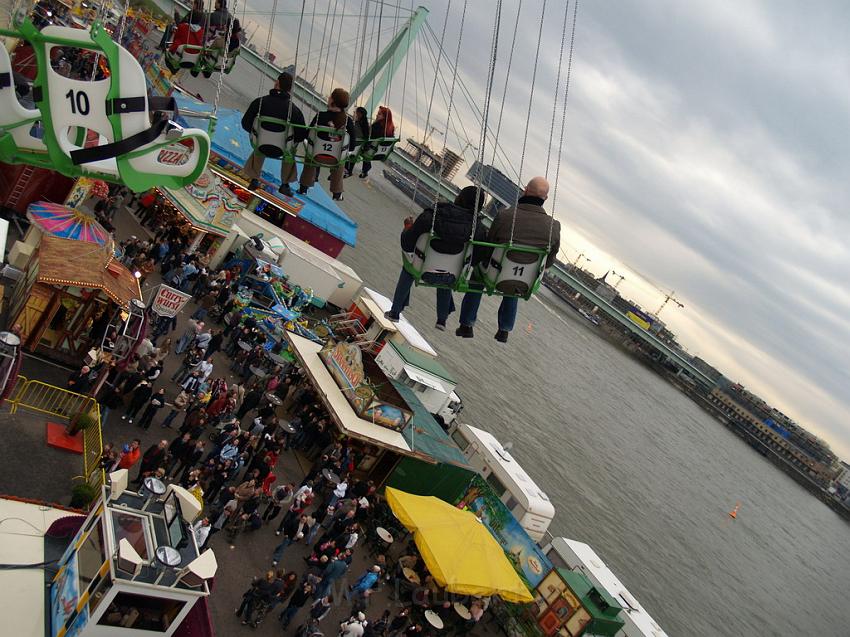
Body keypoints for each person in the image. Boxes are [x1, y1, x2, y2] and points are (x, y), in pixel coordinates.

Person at [456, 176, 560, 343]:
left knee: (478, 275)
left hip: (496, 274)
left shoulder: (504, 215)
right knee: (517, 280)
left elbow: (488, 248)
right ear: (545, 199)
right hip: (524, 281)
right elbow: (548, 261)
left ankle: (466, 325)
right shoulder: (554, 226)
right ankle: (504, 329)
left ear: (525, 190)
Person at [385, 185, 486, 329]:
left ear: (460, 197)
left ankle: (395, 312)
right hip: (451, 276)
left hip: (423, 270)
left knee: (409, 267)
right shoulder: (478, 230)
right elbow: (476, 259)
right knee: (448, 269)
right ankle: (442, 320)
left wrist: (407, 228)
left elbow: (407, 243)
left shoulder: (433, 214)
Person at [242, 72, 308, 193]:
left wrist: (255, 133)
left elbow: (245, 123)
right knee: (292, 147)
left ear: (276, 83)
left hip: (261, 147)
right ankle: (285, 184)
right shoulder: (294, 111)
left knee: (259, 138)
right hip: (282, 150)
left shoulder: (260, 102)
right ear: (289, 90)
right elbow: (301, 135)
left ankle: (254, 178)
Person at [293, 88, 357, 201]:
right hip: (335, 159)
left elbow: (308, 135)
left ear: (333, 101)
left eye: (330, 96)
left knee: (311, 152)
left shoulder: (320, 116)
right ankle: (337, 193)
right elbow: (352, 145)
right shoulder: (348, 122)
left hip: (317, 156)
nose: (328, 98)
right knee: (341, 157)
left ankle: (304, 187)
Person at [357, 105, 394, 178]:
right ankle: (365, 169)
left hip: (371, 151)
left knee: (356, 143)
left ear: (385, 117)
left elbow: (368, 138)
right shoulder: (390, 129)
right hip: (380, 154)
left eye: (379, 114)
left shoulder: (377, 126)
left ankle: (348, 168)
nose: (377, 115)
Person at [343, 107, 370, 178]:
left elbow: (351, 134)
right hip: (357, 149)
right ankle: (348, 170)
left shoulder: (356, 125)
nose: (354, 113)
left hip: (350, 146)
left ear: (359, 114)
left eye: (355, 112)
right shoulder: (365, 126)